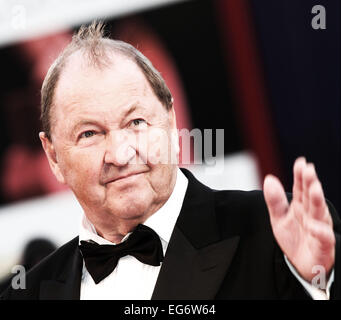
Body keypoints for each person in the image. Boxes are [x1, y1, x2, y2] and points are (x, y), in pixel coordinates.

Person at [1, 21, 340, 300]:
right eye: (89, 133)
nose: (120, 154)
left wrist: (314, 284)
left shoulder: (274, 238)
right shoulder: (25, 295)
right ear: (54, 157)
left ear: (171, 121)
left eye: (136, 123)